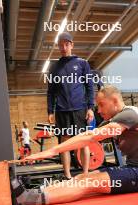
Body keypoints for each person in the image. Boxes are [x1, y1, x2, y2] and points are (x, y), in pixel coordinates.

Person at [10, 85, 138, 205]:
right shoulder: (117, 119)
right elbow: (88, 135)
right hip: (133, 169)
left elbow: (90, 137)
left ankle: (29, 200)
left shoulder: (130, 115)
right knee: (83, 177)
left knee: (89, 182)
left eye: (101, 105)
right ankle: (32, 194)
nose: (98, 110)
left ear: (115, 101)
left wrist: (51, 151)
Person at [47, 32, 94, 179]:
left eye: (66, 44)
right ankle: (67, 176)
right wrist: (50, 111)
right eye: (60, 45)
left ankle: (85, 174)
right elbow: (51, 92)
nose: (63, 47)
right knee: (65, 143)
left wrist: (90, 108)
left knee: (83, 142)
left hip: (80, 109)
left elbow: (89, 86)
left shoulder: (82, 63)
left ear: (72, 45)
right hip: (62, 110)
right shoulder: (54, 67)